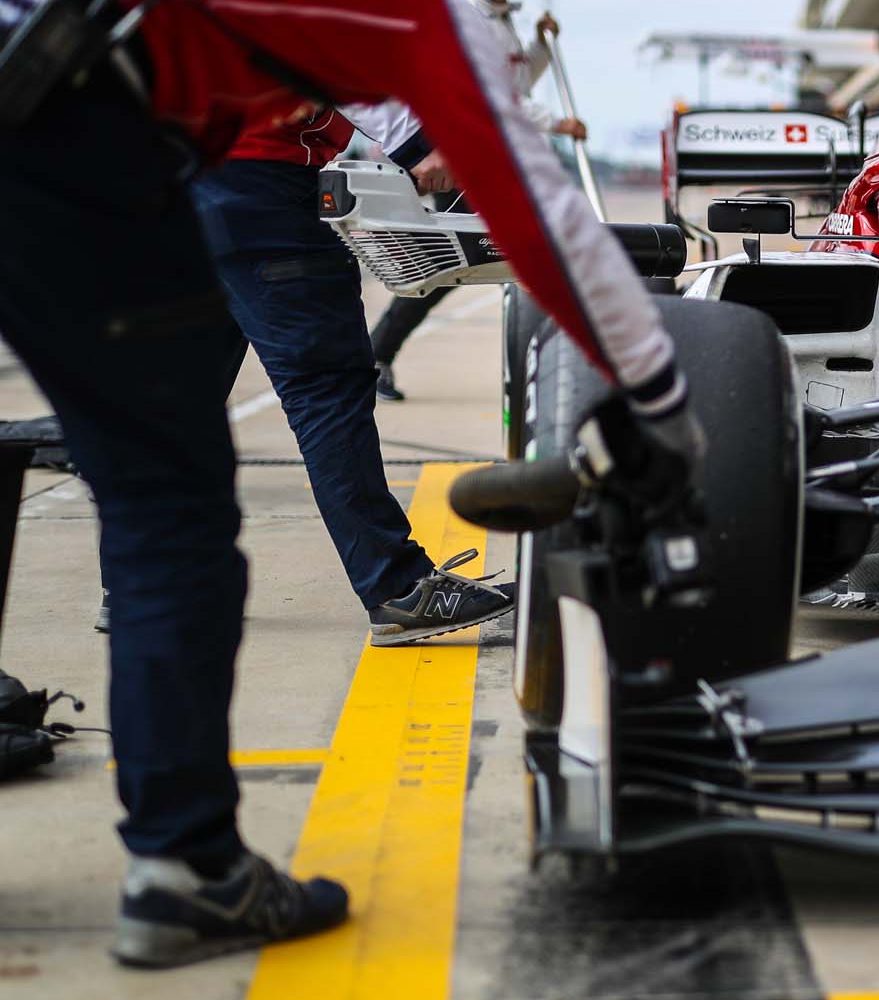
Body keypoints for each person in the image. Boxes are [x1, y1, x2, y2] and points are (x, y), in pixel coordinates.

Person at [0, 0, 695, 969]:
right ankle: (186, 867)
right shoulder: (425, 16)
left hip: (73, 117)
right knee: (169, 511)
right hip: (76, 140)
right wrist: (667, 403)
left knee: (130, 458)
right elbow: (541, 218)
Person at [184, 106, 516, 644]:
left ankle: (144, 585)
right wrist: (422, 142)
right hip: (262, 186)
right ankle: (397, 587)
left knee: (182, 393)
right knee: (326, 389)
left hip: (169, 184)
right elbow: (347, 51)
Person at [366, 0, 588, 402]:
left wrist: (541, 46)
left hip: (503, 156)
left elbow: (520, 83)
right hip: (465, 155)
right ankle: (377, 354)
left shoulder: (504, 23)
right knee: (455, 262)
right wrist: (556, 123)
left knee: (467, 262)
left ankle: (378, 353)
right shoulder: (469, 17)